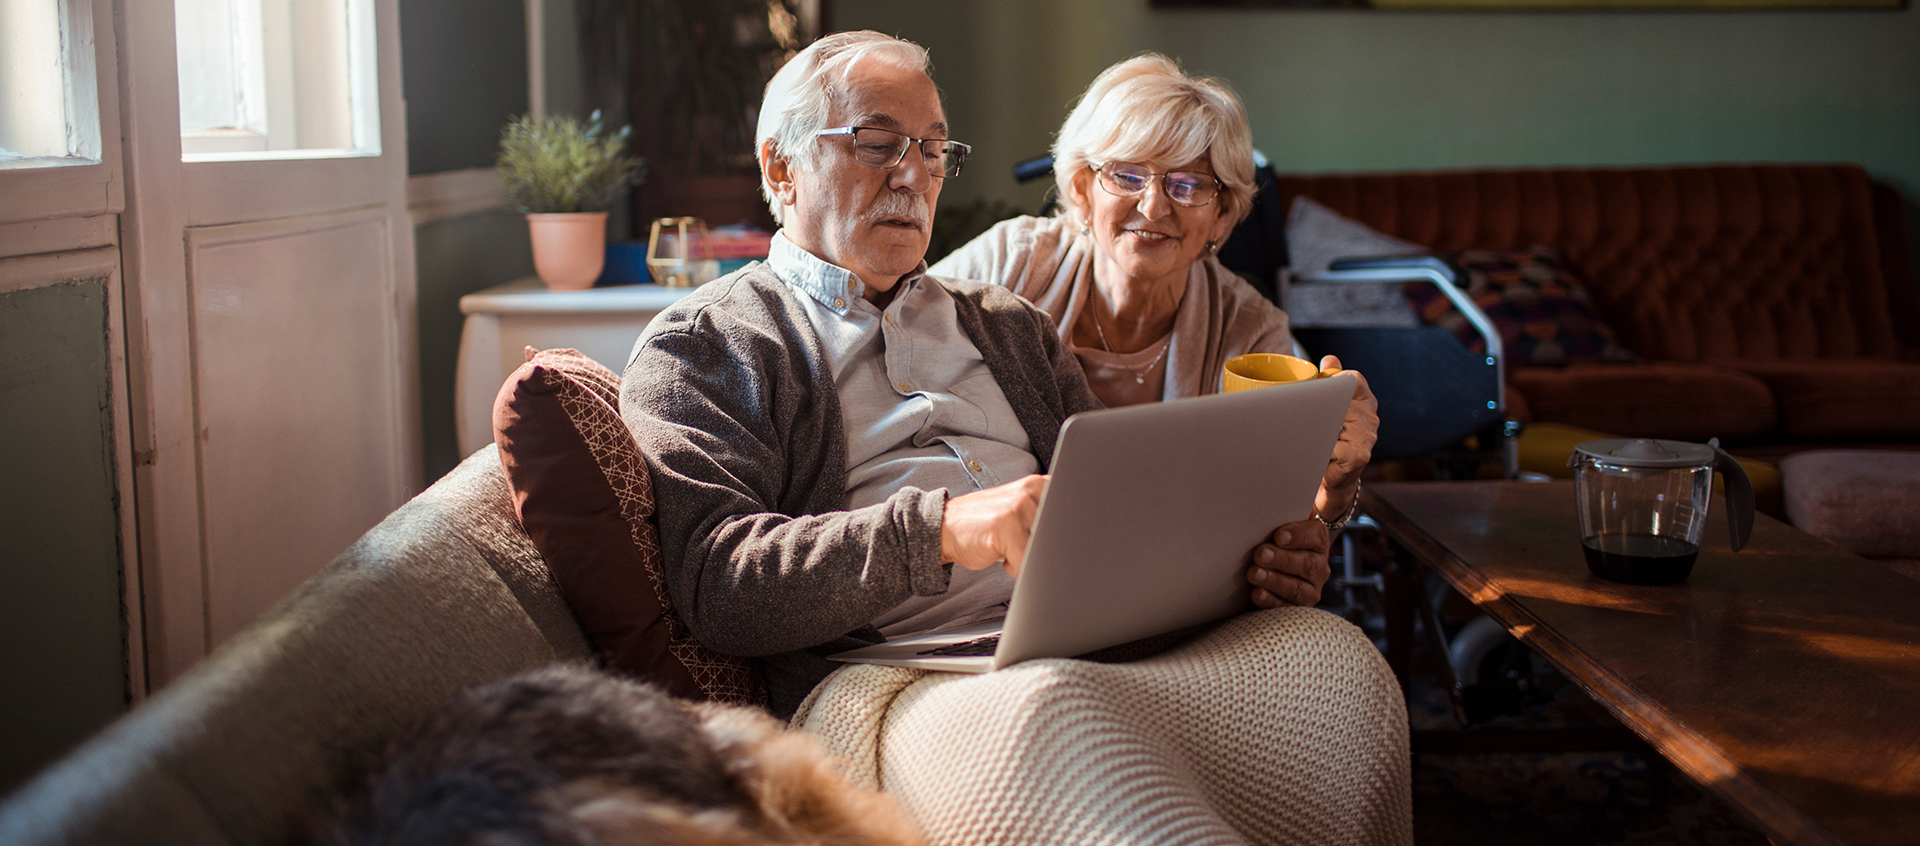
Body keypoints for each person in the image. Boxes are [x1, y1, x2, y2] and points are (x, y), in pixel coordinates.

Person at [620, 31, 1352, 717]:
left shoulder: (1007, 324)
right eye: (878, 144)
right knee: (1066, 725)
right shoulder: (708, 344)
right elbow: (721, 587)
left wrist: (1261, 560)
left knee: (1336, 665)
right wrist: (939, 531)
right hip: (904, 677)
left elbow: (1125, 511)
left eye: (934, 151)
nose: (913, 172)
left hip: (1084, 647)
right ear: (782, 169)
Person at [930, 54, 1377, 529]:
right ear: (1084, 188)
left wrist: (1336, 485)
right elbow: (895, 336)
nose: (1153, 204)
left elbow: (1281, 516)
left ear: (1221, 215)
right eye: (1127, 175)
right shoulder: (1012, 261)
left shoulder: (1251, 329)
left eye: (1187, 184)